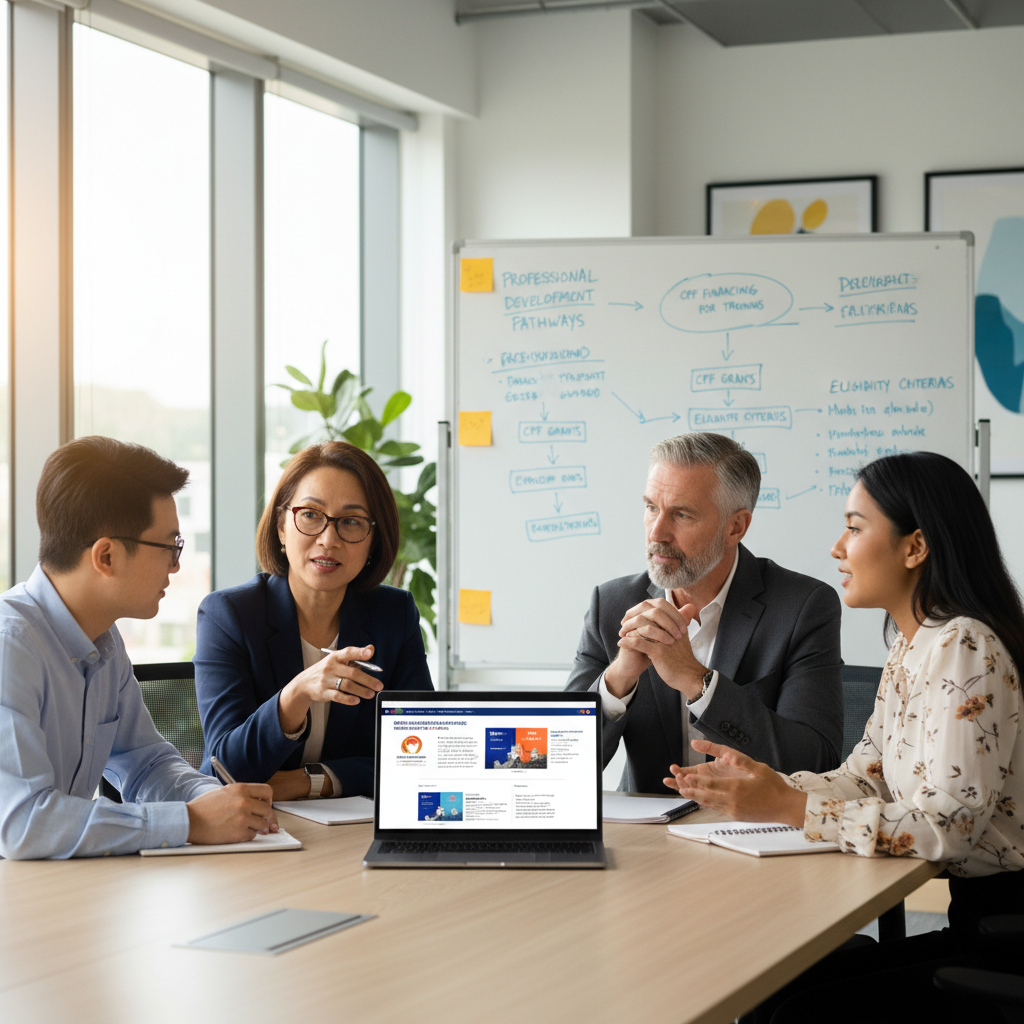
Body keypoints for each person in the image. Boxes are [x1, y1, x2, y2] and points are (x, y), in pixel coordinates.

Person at [664, 451, 1024, 1022]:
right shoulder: (914, 644)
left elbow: (947, 829)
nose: (838, 547)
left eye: (855, 528)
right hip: (981, 925)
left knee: (789, 1007)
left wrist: (787, 804)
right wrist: (759, 786)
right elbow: (867, 775)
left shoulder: (964, 646)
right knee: (772, 982)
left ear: (915, 547)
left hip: (1002, 938)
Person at [0, 436, 277, 859]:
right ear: (106, 556)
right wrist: (191, 822)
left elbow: (146, 762)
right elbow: (24, 824)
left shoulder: (103, 642)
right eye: (169, 547)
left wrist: (218, 801)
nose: (176, 565)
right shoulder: (10, 647)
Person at [565, 432, 843, 792]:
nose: (657, 532)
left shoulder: (802, 606)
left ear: (735, 527)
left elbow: (816, 762)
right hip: (648, 836)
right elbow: (558, 763)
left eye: (681, 514)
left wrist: (698, 683)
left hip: (749, 832)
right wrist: (618, 679)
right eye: (651, 507)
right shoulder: (613, 603)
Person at [195, 441, 433, 800]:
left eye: (351, 522)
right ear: (280, 527)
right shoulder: (229, 616)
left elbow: (422, 753)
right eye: (310, 515)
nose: (328, 539)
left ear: (373, 542)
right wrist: (297, 694)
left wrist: (306, 782)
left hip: (349, 834)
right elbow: (226, 769)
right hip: (250, 836)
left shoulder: (393, 615)